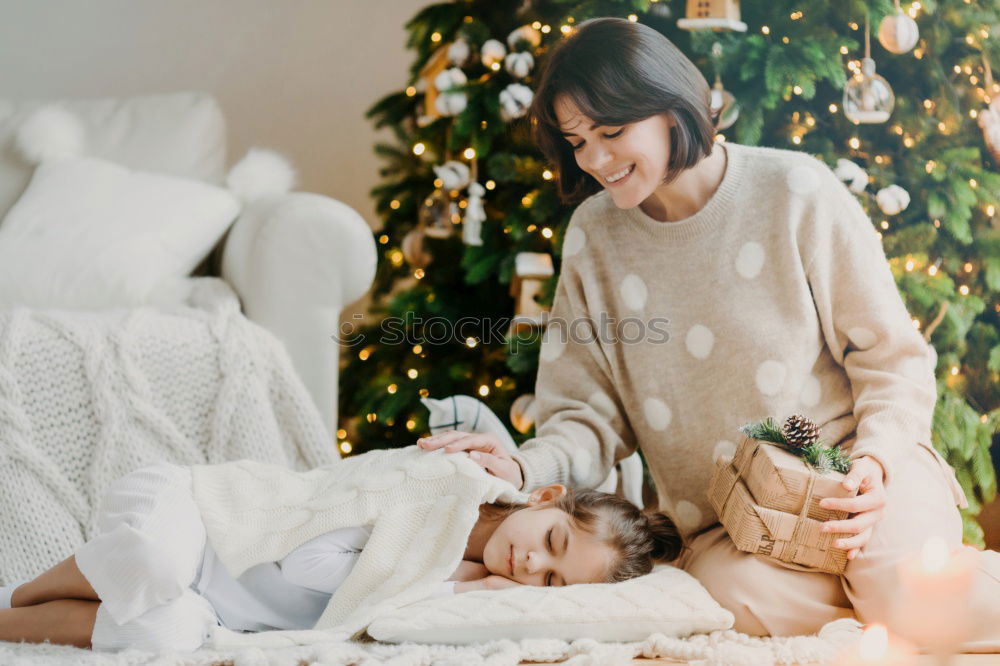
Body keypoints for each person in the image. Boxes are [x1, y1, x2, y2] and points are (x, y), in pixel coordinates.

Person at [419, 17, 1000, 648]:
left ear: (672, 110)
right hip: (732, 526)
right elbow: (584, 416)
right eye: (578, 141)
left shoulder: (794, 191)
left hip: (857, 474)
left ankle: (895, 583)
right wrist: (523, 465)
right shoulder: (595, 236)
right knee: (725, 608)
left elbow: (891, 357)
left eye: (612, 132)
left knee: (907, 597)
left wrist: (877, 460)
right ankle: (902, 591)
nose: (597, 160)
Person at [0, 446, 680, 651]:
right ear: (543, 497)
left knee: (166, 634)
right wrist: (449, 580)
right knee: (155, 565)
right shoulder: (445, 489)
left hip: (214, 606)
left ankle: (6, 619)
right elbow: (306, 563)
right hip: (205, 515)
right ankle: (26, 591)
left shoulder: (471, 600)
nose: (532, 566)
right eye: (553, 542)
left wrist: (467, 592)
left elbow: (370, 623)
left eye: (554, 583)